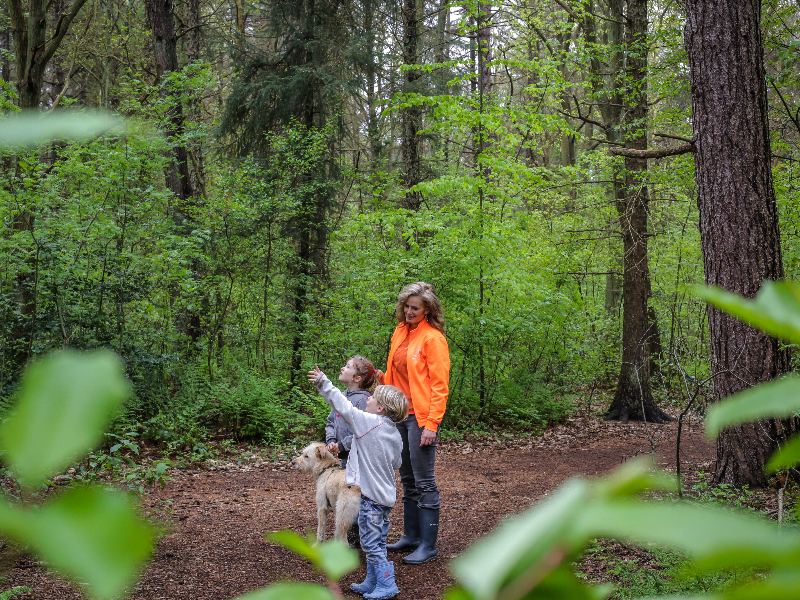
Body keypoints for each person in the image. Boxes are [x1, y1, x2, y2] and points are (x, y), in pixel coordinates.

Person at [308, 364, 408, 600]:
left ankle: (387, 584)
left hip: (371, 498)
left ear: (381, 408)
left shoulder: (368, 423)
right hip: (385, 497)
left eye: (372, 398)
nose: (368, 399)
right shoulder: (393, 431)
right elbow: (396, 462)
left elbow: (341, 405)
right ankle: (373, 580)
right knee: (376, 540)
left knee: (371, 544)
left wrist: (323, 381)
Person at [378, 281, 450, 565]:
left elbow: (439, 385)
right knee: (406, 479)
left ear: (427, 309)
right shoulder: (400, 332)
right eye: (406, 307)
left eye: (415, 308)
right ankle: (411, 535)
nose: (409, 312)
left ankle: (428, 546)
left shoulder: (433, 339)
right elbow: (396, 375)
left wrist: (432, 424)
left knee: (424, 481)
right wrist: (380, 379)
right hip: (400, 415)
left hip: (421, 418)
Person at [325, 355, 377, 469]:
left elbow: (364, 430)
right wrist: (331, 441)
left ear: (357, 378)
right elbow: (331, 422)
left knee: (357, 486)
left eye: (348, 367)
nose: (343, 368)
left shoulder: (364, 401)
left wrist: (342, 445)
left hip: (359, 457)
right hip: (343, 454)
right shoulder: (341, 397)